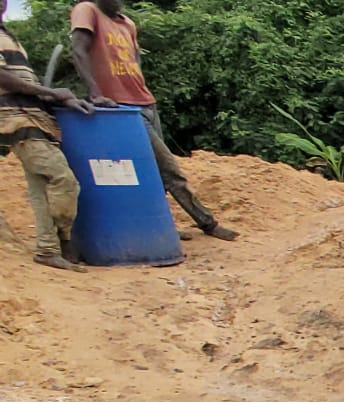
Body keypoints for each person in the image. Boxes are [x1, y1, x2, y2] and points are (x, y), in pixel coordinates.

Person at [68, 0, 236, 241]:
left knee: (154, 173)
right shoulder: (87, 10)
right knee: (169, 169)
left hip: (145, 102)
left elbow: (134, 61)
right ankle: (207, 223)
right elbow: (78, 50)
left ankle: (162, 225)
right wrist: (95, 93)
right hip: (121, 107)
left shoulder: (127, 24)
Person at [0, 23, 90, 271]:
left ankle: (47, 250)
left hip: (33, 118)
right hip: (14, 120)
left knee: (40, 187)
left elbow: (22, 81)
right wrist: (49, 91)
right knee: (63, 178)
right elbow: (4, 77)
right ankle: (64, 236)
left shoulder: (9, 36)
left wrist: (53, 97)